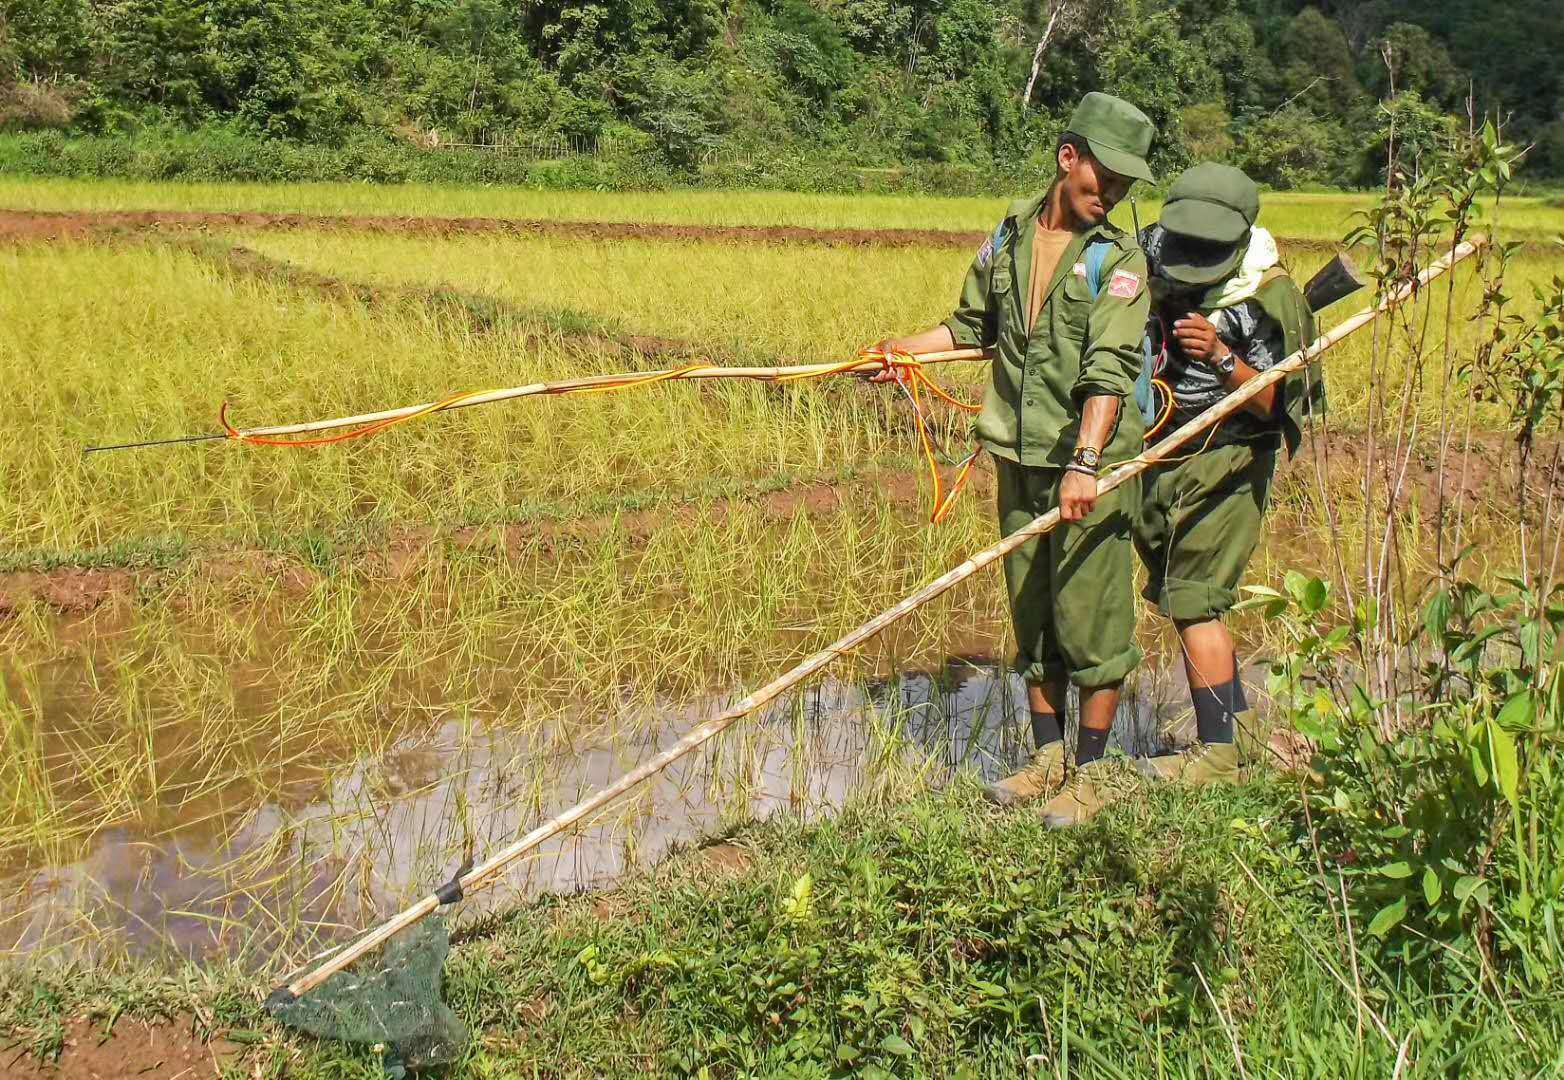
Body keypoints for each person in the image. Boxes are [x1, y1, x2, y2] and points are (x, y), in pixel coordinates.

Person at [868, 92, 1155, 827]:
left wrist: (1087, 462)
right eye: (1104, 179)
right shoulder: (1009, 237)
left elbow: (1109, 370)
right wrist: (901, 350)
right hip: (1017, 457)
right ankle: (1046, 760)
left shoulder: (1121, 261)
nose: (1112, 196)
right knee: (1032, 617)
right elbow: (969, 326)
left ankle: (1089, 777)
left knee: (1091, 620)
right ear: (1069, 158)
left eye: (1124, 186)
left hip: (1090, 466)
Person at [1131, 162, 1319, 784]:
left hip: (1229, 457)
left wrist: (1219, 356)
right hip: (1158, 451)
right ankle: (1235, 725)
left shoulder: (1267, 296)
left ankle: (1218, 755)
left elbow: (1276, 405)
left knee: (1196, 598)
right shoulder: (1153, 252)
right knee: (1172, 587)